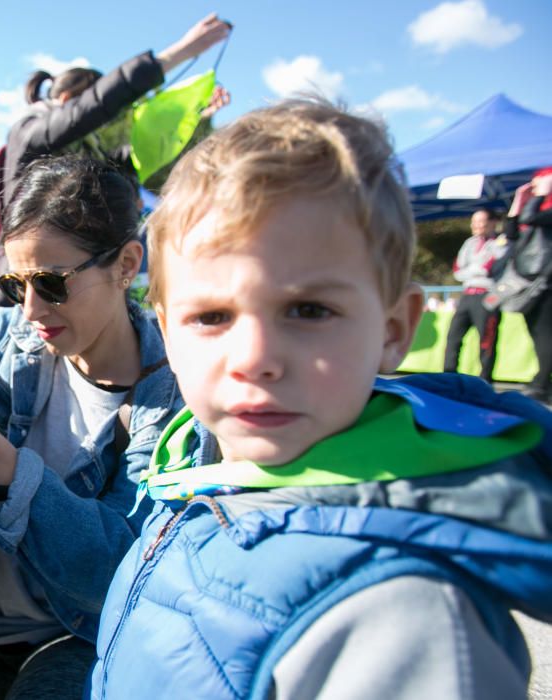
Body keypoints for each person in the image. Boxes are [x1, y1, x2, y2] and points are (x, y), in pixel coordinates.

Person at [88, 98, 552, 699]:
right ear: (167, 332)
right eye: (211, 316)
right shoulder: (196, 471)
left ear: (393, 330)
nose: (255, 357)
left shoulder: (405, 616)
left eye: (309, 310)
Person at [0, 157, 183, 699]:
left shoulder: (174, 405)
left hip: (66, 640)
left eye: (50, 282)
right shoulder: (16, 331)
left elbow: (115, 576)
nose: (32, 308)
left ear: (126, 263)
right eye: (17, 284)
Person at [0, 13, 231, 308]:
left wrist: (196, 119)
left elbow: (145, 159)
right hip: (26, 290)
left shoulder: (95, 156)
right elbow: (96, 105)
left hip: (81, 289)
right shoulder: (30, 134)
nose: (107, 124)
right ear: (66, 100)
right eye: (101, 117)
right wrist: (179, 53)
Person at [442, 208, 505, 382]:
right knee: (453, 335)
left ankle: (485, 378)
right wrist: (473, 271)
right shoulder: (469, 243)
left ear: (492, 222)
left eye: (480, 221)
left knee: (486, 340)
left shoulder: (501, 242)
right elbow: (458, 270)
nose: (476, 225)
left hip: (487, 296)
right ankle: (448, 374)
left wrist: (473, 270)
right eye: (474, 221)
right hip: (467, 294)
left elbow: (488, 268)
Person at [506, 167, 552, 403]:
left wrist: (541, 195)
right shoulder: (534, 210)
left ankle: (541, 385)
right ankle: (544, 382)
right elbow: (512, 234)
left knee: (546, 335)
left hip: (546, 283)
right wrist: (518, 202)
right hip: (528, 283)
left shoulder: (544, 212)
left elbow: (530, 218)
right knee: (536, 333)